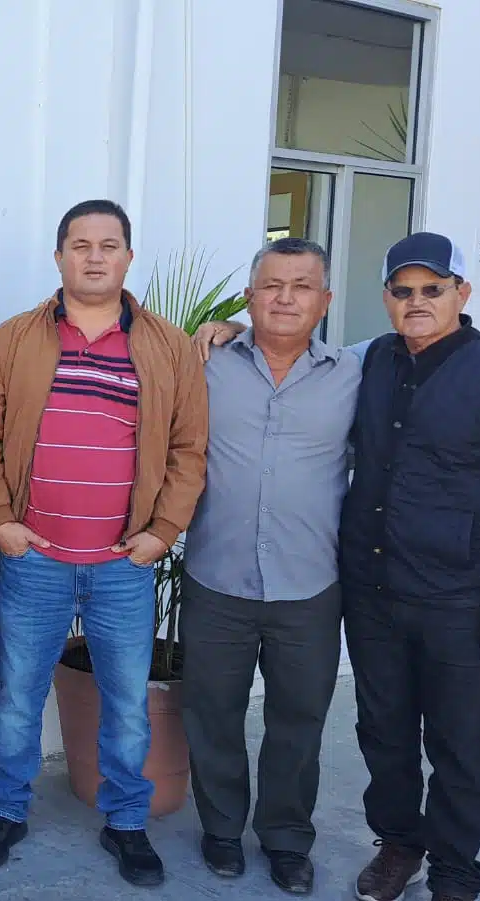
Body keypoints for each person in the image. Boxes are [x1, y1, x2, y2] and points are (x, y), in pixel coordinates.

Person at [196, 232, 480, 901]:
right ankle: (398, 844)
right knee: (383, 730)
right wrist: (237, 326)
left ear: (462, 294)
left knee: (460, 743)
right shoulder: (366, 362)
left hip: (464, 597)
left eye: (433, 289)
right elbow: (285, 335)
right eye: (403, 290)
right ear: (384, 297)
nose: (417, 302)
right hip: (375, 590)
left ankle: (454, 871)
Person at [0, 199, 207, 887]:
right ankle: (6, 810)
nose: (93, 255)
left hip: (122, 566)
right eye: (79, 243)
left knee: (127, 701)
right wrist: (0, 518)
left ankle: (126, 822)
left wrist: (162, 532)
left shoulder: (166, 346)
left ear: (129, 256)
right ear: (59, 255)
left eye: (107, 244)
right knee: (17, 696)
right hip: (33, 556)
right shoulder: (16, 339)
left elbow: (190, 448)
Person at [180, 237, 357, 895]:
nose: (286, 297)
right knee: (211, 710)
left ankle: (286, 837)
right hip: (216, 576)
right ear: (250, 296)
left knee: (299, 718)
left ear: (325, 300)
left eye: (302, 285)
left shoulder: (354, 372)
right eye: (272, 284)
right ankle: (222, 828)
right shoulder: (206, 361)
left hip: (310, 584)